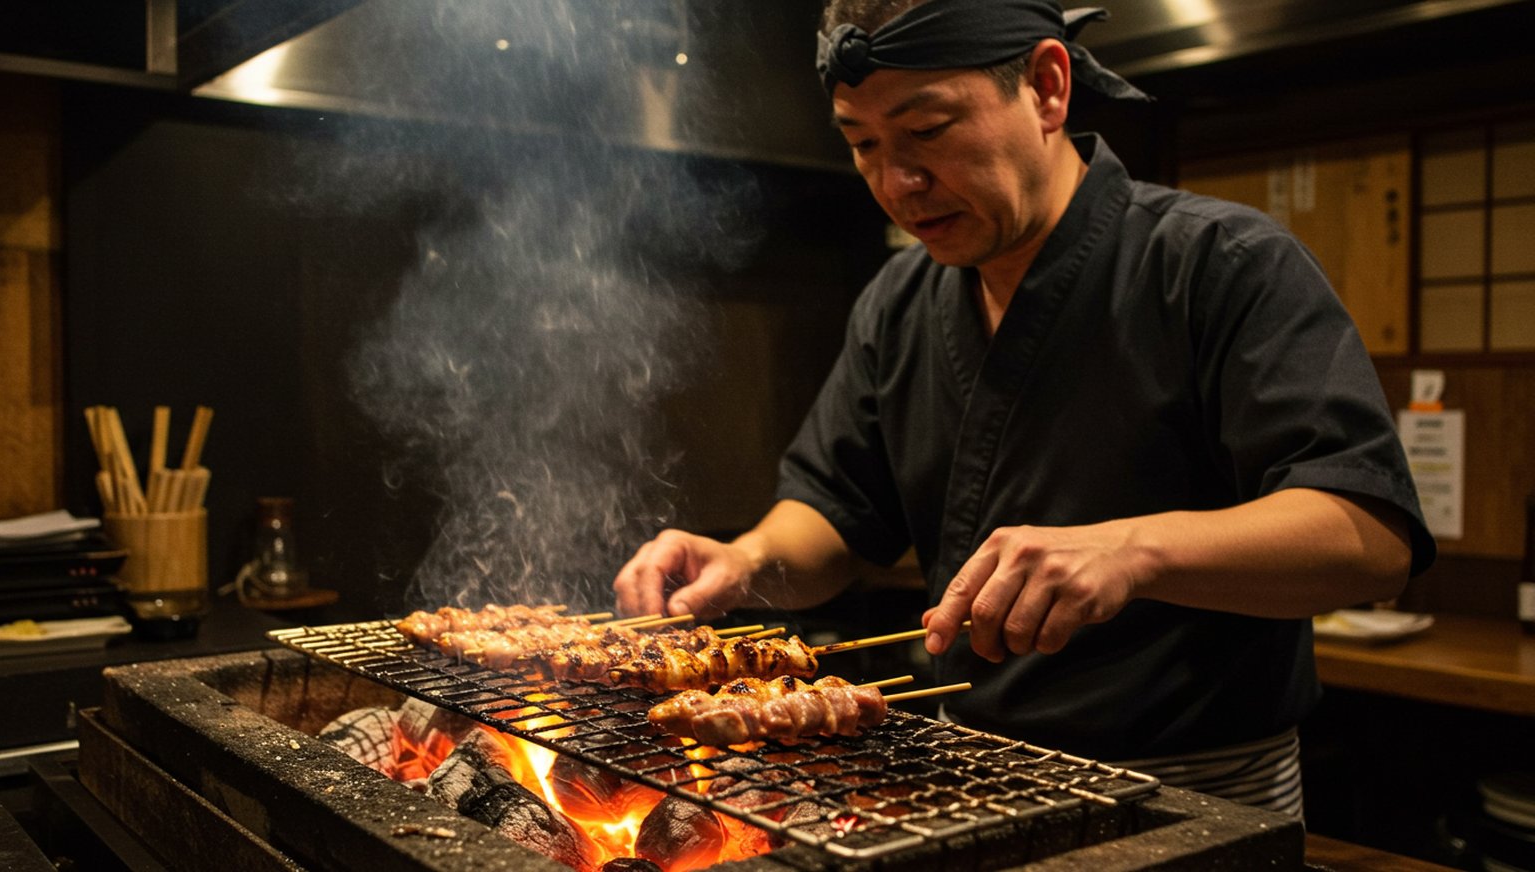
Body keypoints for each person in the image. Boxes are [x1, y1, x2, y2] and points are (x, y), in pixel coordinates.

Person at [614, 0, 1434, 816]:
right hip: (968, 773)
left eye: (929, 129)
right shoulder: (899, 300)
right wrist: (747, 562)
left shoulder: (1223, 264)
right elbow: (834, 514)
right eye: (863, 145)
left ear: (1046, 87)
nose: (897, 183)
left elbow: (1368, 536)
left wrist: (1133, 550)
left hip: (1192, 791)